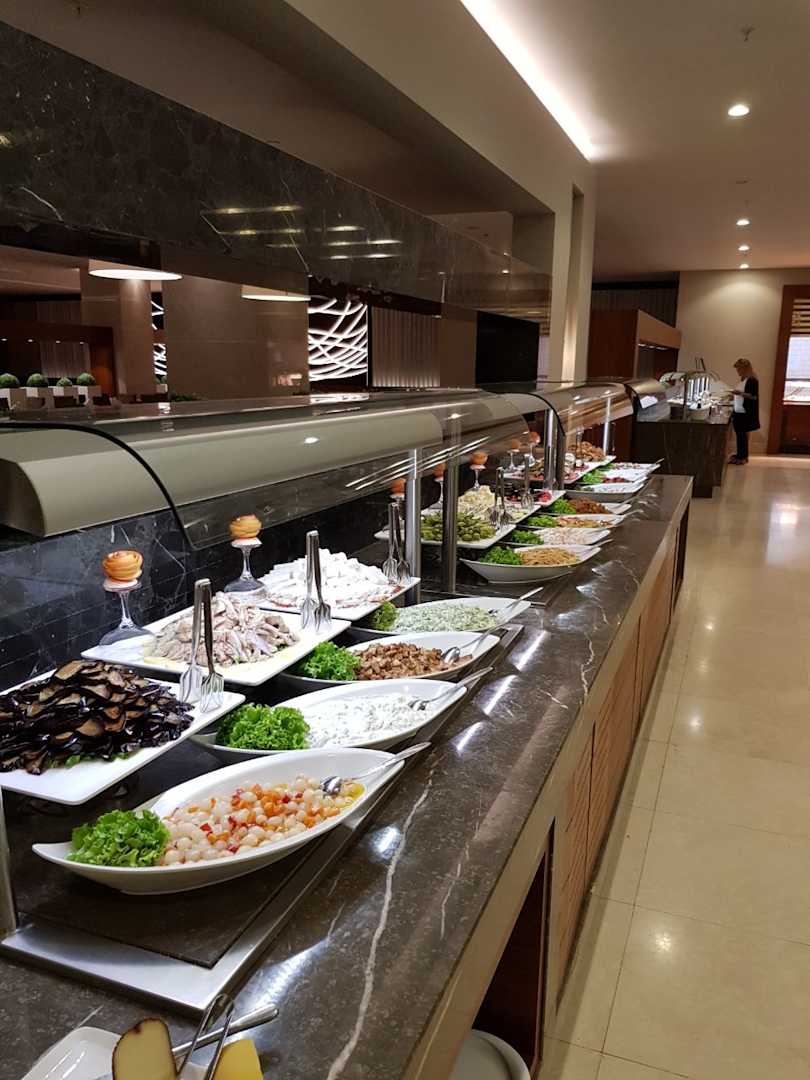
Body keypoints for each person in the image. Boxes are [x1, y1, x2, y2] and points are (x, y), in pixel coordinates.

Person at [729, 358, 760, 464]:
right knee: (740, 435)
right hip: (738, 410)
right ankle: (740, 455)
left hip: (744, 412)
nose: (737, 371)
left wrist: (739, 393)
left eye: (739, 369)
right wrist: (734, 396)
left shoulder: (752, 380)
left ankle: (742, 457)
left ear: (745, 368)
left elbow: (753, 396)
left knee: (742, 435)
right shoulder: (743, 380)